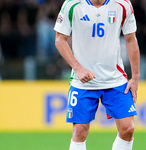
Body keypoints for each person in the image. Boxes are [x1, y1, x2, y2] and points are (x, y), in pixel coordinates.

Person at [54, 0, 140, 149]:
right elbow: (60, 40)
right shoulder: (72, 4)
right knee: (80, 131)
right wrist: (78, 68)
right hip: (83, 82)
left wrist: (135, 77)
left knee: (128, 129)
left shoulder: (123, 4)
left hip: (115, 79)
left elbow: (131, 39)